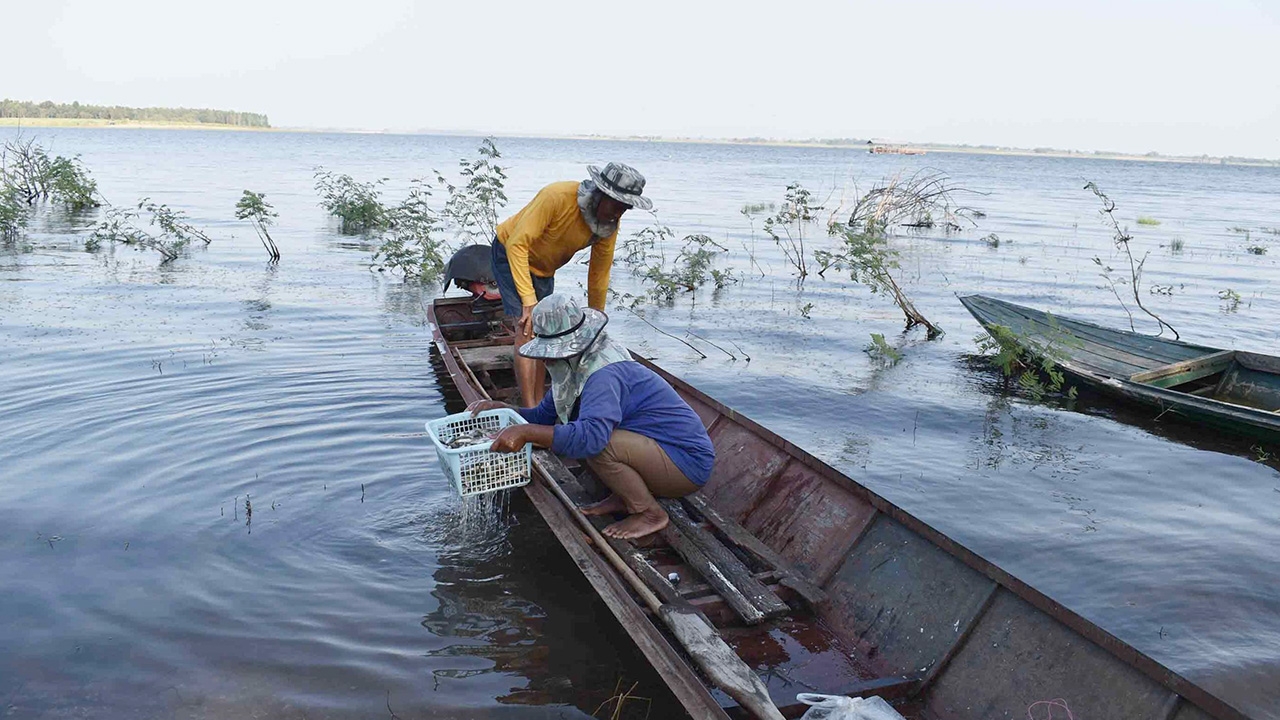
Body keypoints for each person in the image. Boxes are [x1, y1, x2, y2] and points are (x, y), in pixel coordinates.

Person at [468, 294, 714, 540]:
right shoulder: (573, 365)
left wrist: (526, 433)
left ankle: (649, 513)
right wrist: (503, 409)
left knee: (598, 444)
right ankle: (624, 496)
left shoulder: (602, 374)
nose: (544, 359)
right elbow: (543, 417)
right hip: (650, 451)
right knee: (580, 433)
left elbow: (592, 438)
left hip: (684, 463)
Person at [491, 162, 652, 407]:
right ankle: (529, 408)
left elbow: (598, 273)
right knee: (526, 329)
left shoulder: (608, 225)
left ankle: (543, 404)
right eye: (616, 205)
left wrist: (596, 319)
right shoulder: (556, 196)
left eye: (625, 208)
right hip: (510, 253)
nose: (619, 213)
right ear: (600, 194)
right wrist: (528, 302)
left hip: (545, 269)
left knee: (545, 334)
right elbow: (517, 245)